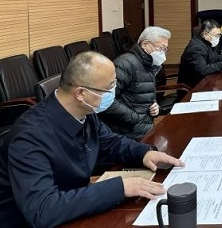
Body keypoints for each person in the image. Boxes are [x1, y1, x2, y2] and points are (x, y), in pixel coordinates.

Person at [0, 51, 183, 228]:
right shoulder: (29, 137)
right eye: (109, 87)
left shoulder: (84, 112)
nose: (113, 92)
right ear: (81, 93)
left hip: (73, 206)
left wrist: (144, 153)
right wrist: (119, 188)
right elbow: (42, 210)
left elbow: (110, 142)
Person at [101, 26, 172, 140]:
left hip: (142, 125)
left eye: (165, 49)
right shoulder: (125, 64)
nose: (163, 53)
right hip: (127, 130)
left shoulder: (148, 64)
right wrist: (134, 117)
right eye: (161, 48)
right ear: (145, 44)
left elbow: (142, 93)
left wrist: (155, 106)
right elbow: (104, 99)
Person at [178, 19, 222, 87]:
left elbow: (213, 58)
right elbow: (202, 70)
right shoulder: (196, 48)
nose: (218, 38)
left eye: (219, 35)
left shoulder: (206, 43)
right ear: (205, 34)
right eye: (216, 35)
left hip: (205, 82)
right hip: (193, 87)